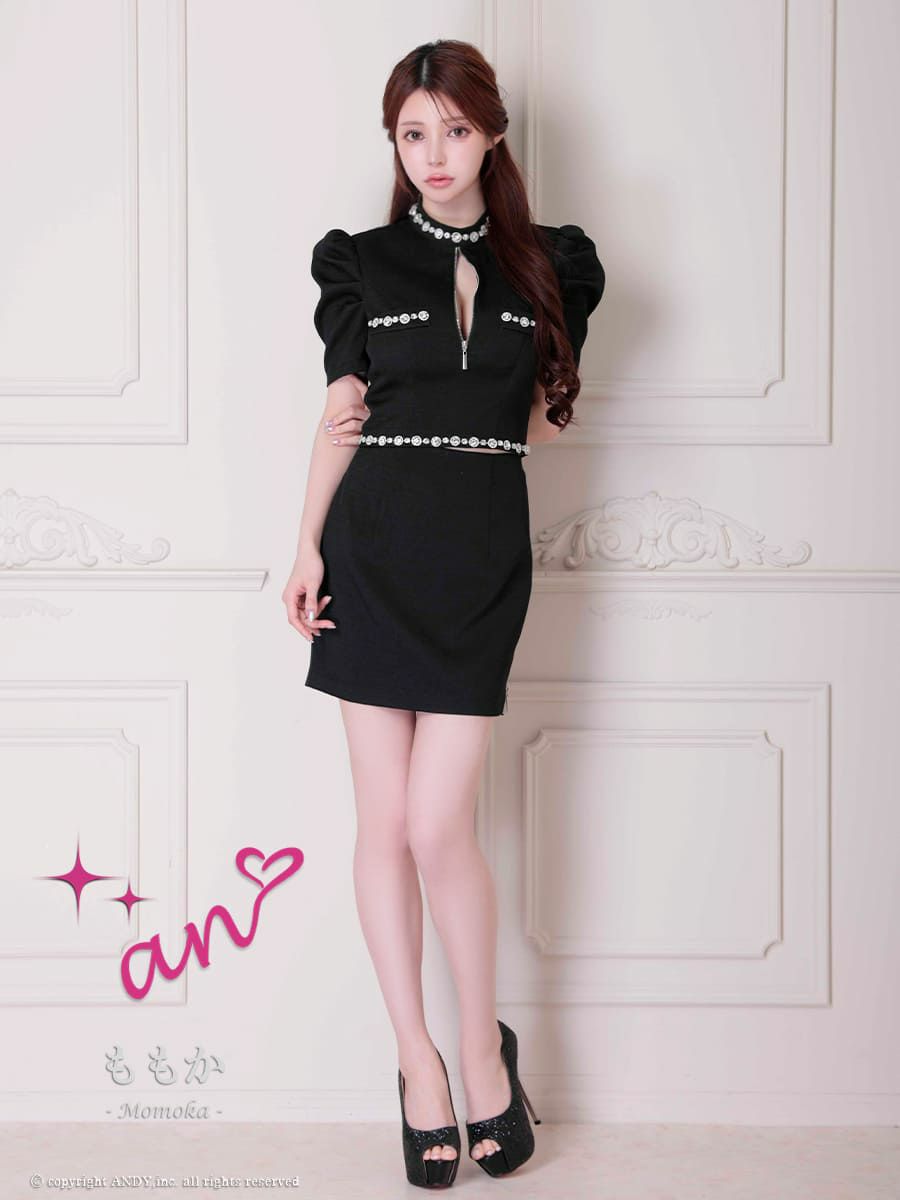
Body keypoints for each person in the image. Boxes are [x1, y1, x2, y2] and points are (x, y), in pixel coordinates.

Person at [282, 38, 605, 1189]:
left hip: (478, 559)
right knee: (384, 823)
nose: (434, 154)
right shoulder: (361, 262)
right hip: (370, 551)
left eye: (455, 131)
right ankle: (418, 1062)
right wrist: (307, 543)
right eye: (413, 134)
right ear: (396, 143)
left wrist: (514, 401)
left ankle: (482, 1051)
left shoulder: (552, 265)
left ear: (492, 134)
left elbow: (545, 423)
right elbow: (343, 413)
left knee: (436, 826)